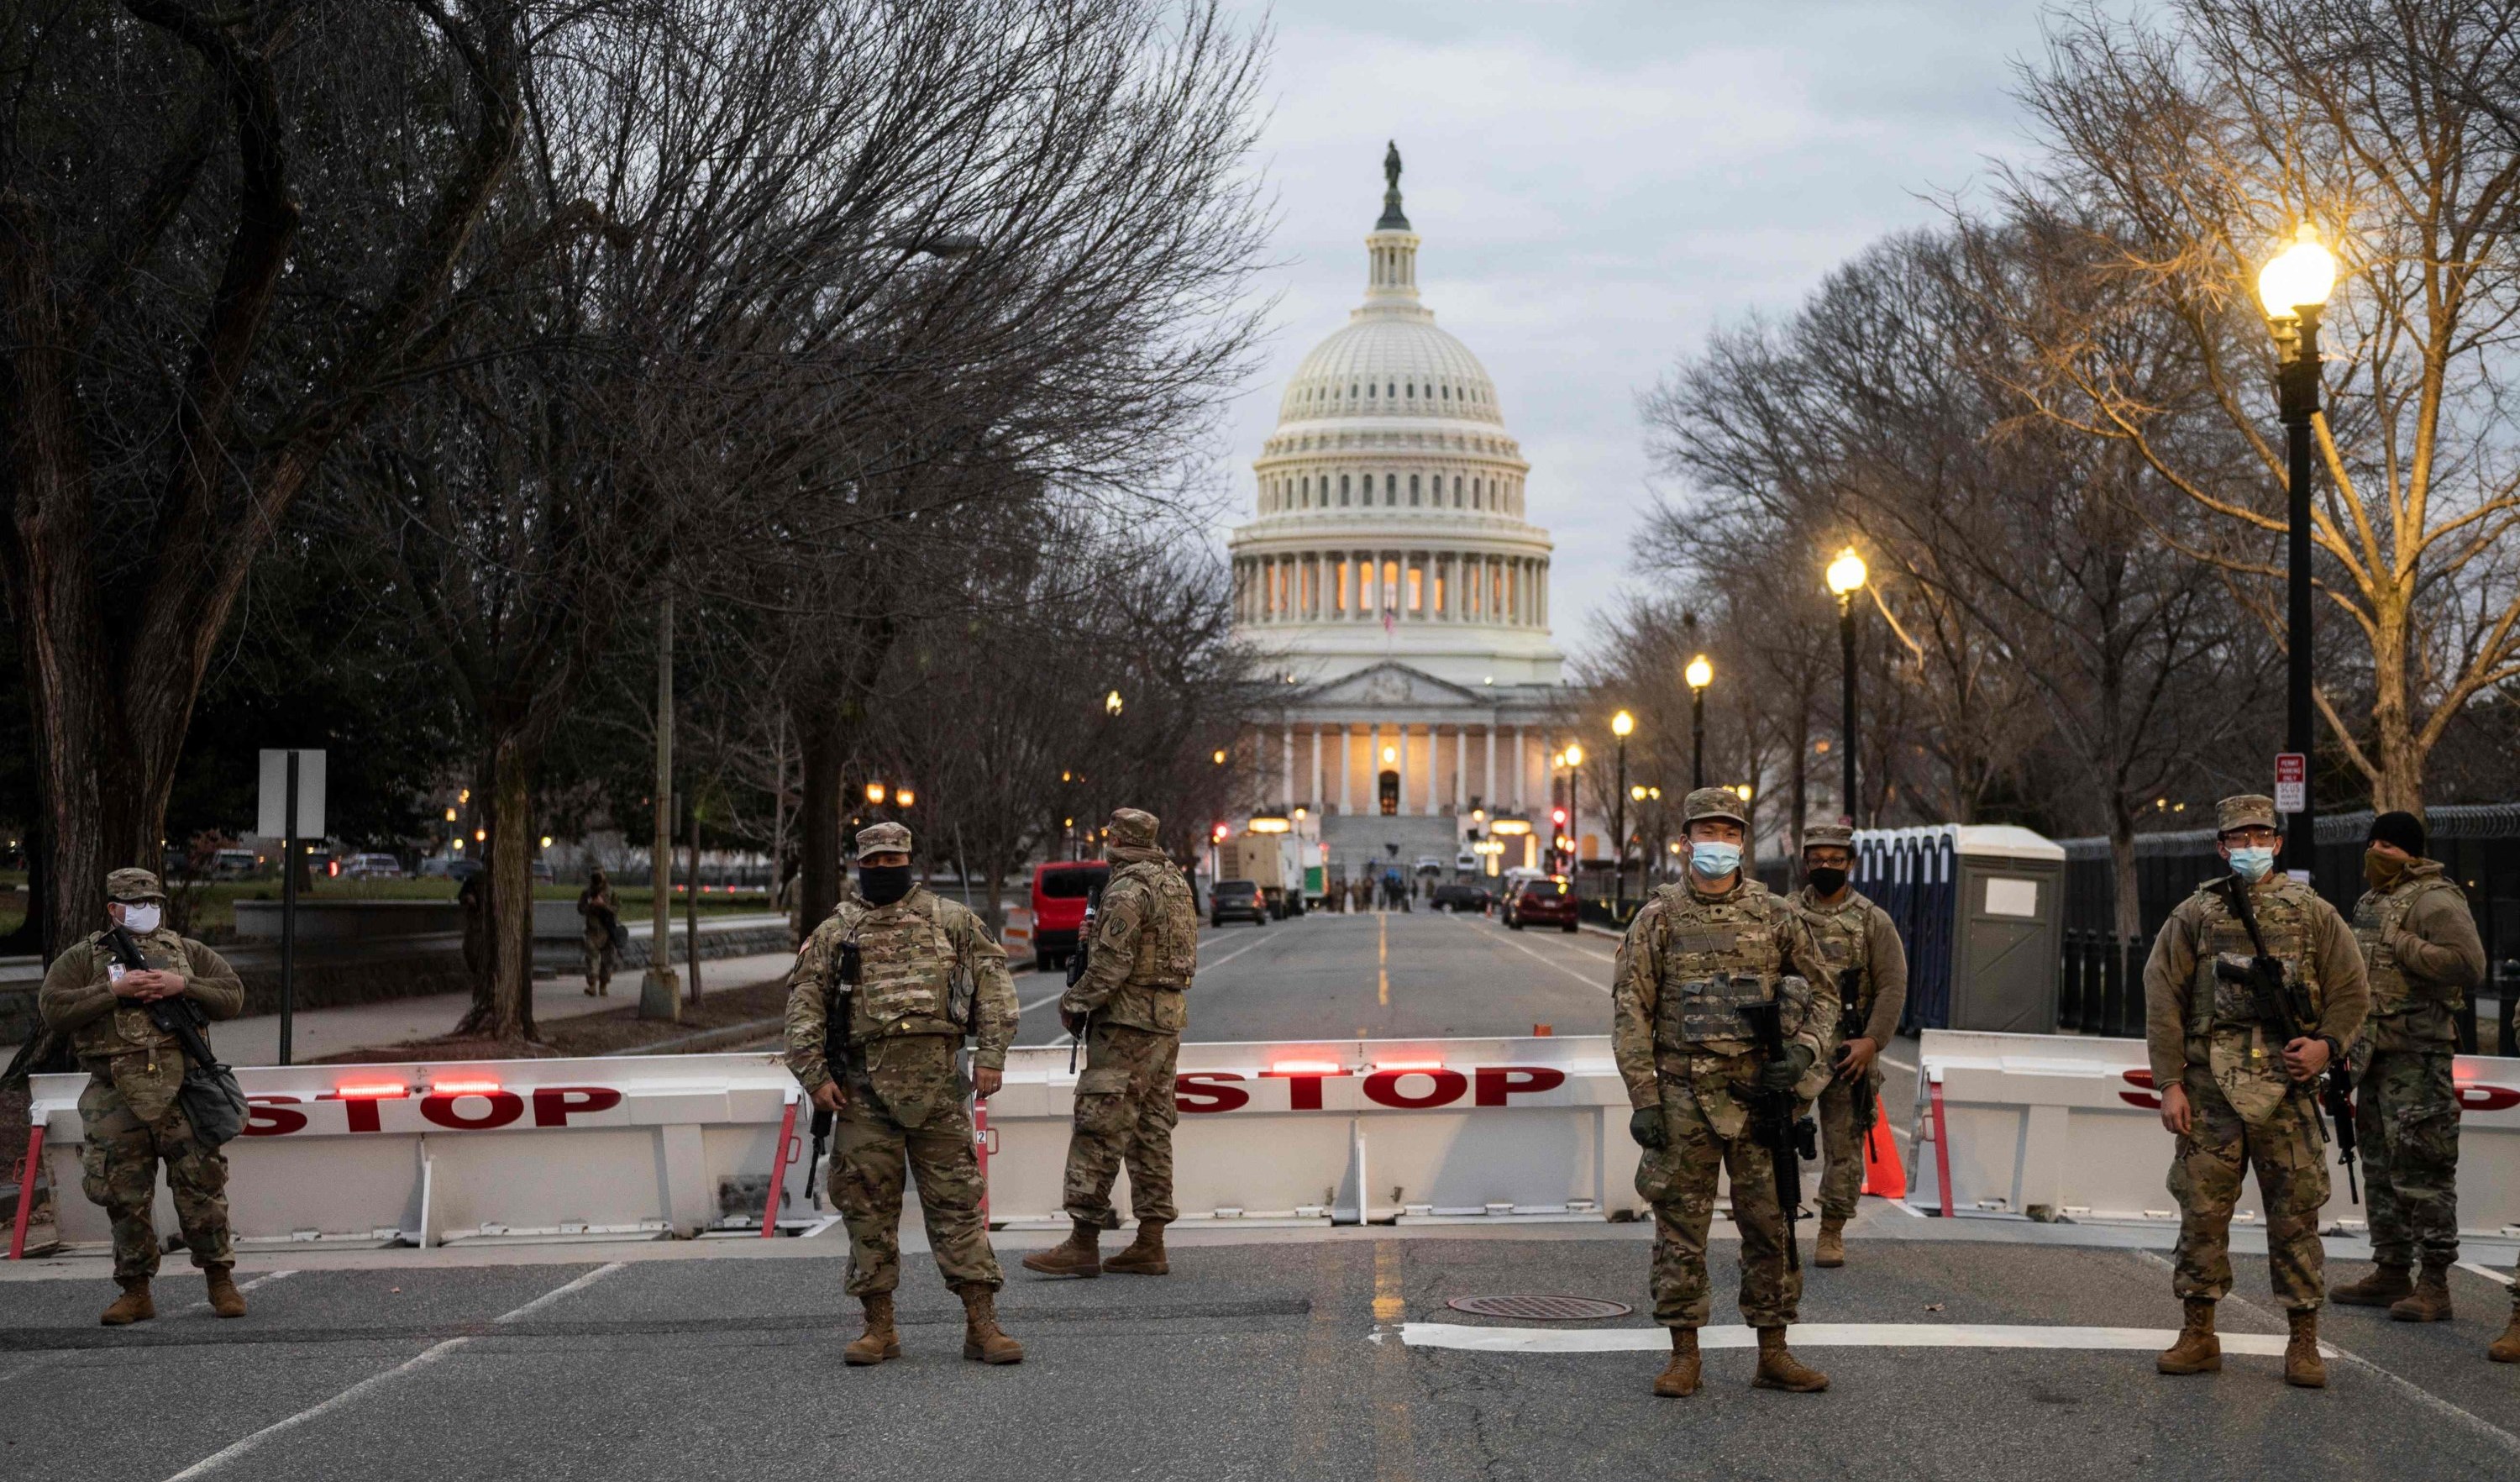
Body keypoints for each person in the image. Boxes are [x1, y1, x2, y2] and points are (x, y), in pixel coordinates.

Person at [1614, 787, 1838, 1398]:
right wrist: (1645, 1100)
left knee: (1772, 1226)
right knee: (1680, 1230)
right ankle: (1684, 1354)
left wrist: (1801, 1056)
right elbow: (1630, 1010)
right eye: (1706, 833)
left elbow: (1824, 994)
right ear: (1686, 842)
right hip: (1685, 1095)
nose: (1718, 844)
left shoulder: (1777, 916)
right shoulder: (1658, 918)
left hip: (1756, 1095)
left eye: (1729, 832)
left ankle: (1773, 1351)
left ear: (1743, 842)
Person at [2142, 795, 2368, 1388]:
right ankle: (2199, 1332)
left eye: (2260, 835)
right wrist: (2170, 1083)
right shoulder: (2194, 915)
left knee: (2296, 1217)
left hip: (2287, 1092)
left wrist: (2326, 1045)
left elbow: (2352, 990)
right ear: (2221, 847)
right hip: (2209, 1089)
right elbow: (2163, 999)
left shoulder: (2315, 913)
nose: (2250, 846)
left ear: (2277, 841)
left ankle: (2303, 1340)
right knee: (2202, 1215)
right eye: (2238, 838)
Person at [784, 822, 1022, 1366]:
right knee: (866, 1208)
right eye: (877, 862)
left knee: (958, 1205)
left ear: (910, 860)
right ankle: (879, 1327)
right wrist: (815, 1075)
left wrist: (990, 1055)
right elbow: (803, 1005)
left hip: (938, 1087)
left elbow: (994, 984)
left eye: (896, 861)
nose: (887, 870)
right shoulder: (838, 931)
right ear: (861, 864)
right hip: (864, 1092)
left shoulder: (951, 920)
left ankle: (982, 1324)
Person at [37, 868, 248, 1325]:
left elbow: (232, 996)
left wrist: (182, 985)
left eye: (153, 902)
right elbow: (54, 1008)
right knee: (123, 1195)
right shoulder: (83, 958)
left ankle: (220, 1280)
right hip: (115, 1094)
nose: (146, 911)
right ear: (112, 909)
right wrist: (114, 991)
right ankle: (135, 1290)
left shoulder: (187, 952)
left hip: (184, 1091)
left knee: (201, 1187)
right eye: (135, 904)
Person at [1026, 808, 1200, 1280]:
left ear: (1117, 841)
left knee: (1099, 1127)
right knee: (1152, 1129)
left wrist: (1073, 1002)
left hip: (1125, 1024)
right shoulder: (1174, 883)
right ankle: (1150, 1241)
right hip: (1165, 1023)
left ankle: (1083, 1241)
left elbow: (1109, 967)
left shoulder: (1127, 888)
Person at [2328, 811, 2486, 1325]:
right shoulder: (2372, 900)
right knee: (2378, 1169)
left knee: (2424, 1171)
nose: (2375, 852)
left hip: (2418, 1057)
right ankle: (2391, 1269)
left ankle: (2434, 1284)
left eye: (2387, 846)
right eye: (2371, 842)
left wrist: (2406, 945)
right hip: (2372, 1056)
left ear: (2410, 852)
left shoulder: (2436, 900)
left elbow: (2469, 964)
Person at [1790, 822, 1907, 1269]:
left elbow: (1892, 987)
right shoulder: (1784, 915)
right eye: (1817, 860)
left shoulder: (1872, 920)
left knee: (1845, 1146)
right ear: (1806, 863)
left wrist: (1871, 1042)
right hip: (1796, 1050)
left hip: (1848, 1053)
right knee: (1771, 1141)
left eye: (1835, 860)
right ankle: (1777, 1228)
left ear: (1851, 863)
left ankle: (1831, 1231)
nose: (1825, 867)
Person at [577, 868, 622, 997]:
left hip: (607, 932)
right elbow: (581, 908)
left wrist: (604, 905)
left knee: (608, 961)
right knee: (592, 959)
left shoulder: (612, 893)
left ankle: (603, 985)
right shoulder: (587, 893)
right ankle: (592, 985)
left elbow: (617, 908)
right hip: (593, 931)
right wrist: (591, 905)